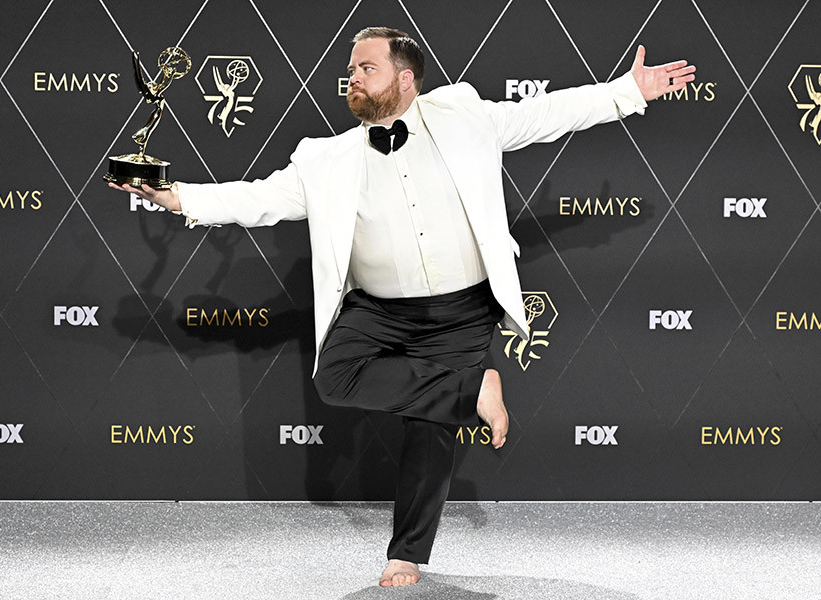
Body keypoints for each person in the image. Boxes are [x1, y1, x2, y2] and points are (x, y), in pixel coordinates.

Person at [109, 26, 695, 587]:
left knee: (430, 428)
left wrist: (627, 92)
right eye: (349, 72)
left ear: (407, 79)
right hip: (377, 311)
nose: (352, 80)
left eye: (367, 68)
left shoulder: (464, 116)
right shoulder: (324, 158)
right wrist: (174, 196)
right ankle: (472, 391)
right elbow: (257, 199)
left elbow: (545, 116)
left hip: (462, 308)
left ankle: (406, 552)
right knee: (335, 378)